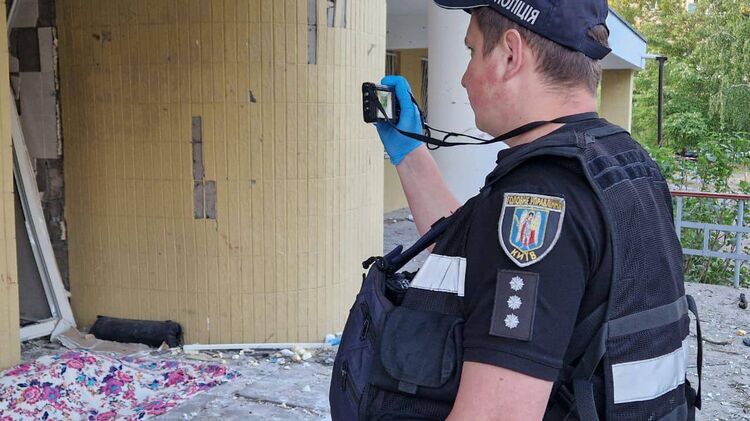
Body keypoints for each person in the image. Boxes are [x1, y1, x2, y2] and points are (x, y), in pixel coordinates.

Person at [364, 0, 701, 420]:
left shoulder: (539, 195)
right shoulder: (624, 162)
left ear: (510, 54)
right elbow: (476, 260)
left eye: (472, 51)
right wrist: (410, 152)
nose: (465, 78)